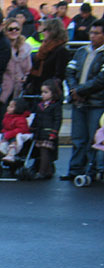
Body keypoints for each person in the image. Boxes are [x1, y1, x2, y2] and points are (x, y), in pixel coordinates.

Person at [62, 19, 104, 181]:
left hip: (96, 103)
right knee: (78, 138)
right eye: (91, 33)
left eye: (97, 33)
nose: (92, 36)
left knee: (93, 139)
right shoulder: (81, 51)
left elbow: (100, 80)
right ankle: (75, 169)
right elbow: (70, 71)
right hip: (79, 101)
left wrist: (79, 90)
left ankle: (90, 171)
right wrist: (74, 90)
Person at [25, 18, 69, 96]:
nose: (42, 32)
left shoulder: (61, 50)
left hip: (50, 93)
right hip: (37, 90)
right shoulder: (43, 48)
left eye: (45, 30)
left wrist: (49, 88)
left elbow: (60, 75)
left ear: (53, 31)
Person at [30, 79, 63, 179]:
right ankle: (48, 170)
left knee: (45, 151)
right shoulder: (40, 106)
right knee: (42, 151)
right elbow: (36, 117)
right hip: (40, 131)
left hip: (49, 132)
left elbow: (58, 120)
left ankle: (42, 172)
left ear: (53, 93)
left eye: (45, 92)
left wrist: (54, 132)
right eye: (42, 92)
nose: (43, 95)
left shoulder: (55, 106)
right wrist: (32, 126)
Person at [0, 18, 32, 105]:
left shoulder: (26, 48)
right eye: (10, 29)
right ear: (5, 30)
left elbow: (28, 69)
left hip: (20, 89)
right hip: (4, 88)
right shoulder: (2, 46)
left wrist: (25, 77)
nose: (14, 31)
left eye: (16, 29)